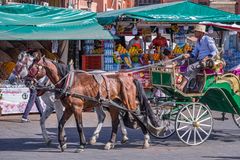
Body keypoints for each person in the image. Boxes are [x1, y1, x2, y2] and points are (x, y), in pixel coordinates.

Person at [177, 24, 218, 91]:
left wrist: (206, 58)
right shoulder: (198, 41)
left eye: (196, 31)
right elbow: (194, 53)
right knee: (183, 61)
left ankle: (182, 86)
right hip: (199, 60)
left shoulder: (207, 39)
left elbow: (214, 51)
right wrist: (188, 55)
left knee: (190, 67)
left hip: (206, 62)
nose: (194, 33)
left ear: (201, 32)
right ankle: (178, 78)